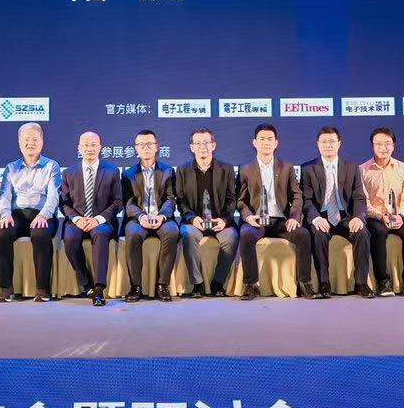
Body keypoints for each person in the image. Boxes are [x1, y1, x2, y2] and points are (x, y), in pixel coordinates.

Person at [236, 124, 312, 301]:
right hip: (257, 220)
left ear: (276, 143)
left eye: (270, 139)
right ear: (254, 142)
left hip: (280, 220)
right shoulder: (245, 169)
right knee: (246, 235)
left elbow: (297, 195)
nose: (266, 143)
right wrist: (248, 216)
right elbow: (240, 200)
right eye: (262, 139)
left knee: (303, 234)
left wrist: (294, 217)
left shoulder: (286, 167)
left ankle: (305, 282)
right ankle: (250, 284)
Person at [0, 122, 62, 302]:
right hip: (17, 215)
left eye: (34, 139)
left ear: (42, 142)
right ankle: (5, 288)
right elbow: (4, 194)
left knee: (40, 234)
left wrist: (43, 215)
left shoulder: (52, 166)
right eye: (26, 139)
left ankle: (42, 289)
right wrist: (5, 214)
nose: (30, 143)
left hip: (42, 214)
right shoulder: (11, 167)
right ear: (19, 142)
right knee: (1, 233)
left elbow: (53, 196)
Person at [302, 126, 373, 298]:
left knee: (362, 232)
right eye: (324, 142)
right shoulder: (308, 168)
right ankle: (324, 283)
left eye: (332, 141)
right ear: (318, 144)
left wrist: (358, 217)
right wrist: (315, 218)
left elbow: (359, 198)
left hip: (345, 217)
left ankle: (361, 283)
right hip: (322, 216)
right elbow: (306, 200)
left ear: (339, 143)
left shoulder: (351, 167)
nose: (328, 145)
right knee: (319, 234)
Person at [173, 128, 239, 297]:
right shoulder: (182, 170)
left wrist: (224, 220)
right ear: (191, 148)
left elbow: (232, 199)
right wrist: (192, 218)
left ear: (213, 145)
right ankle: (198, 284)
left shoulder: (227, 169)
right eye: (198, 143)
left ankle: (218, 282)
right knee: (188, 235)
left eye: (206, 142)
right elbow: (180, 201)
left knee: (231, 238)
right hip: (194, 222)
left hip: (220, 222)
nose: (202, 147)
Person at [59, 131, 122, 306]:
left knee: (100, 234)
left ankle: (99, 288)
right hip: (77, 220)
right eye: (86, 145)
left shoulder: (112, 171)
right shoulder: (69, 173)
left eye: (94, 145)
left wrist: (98, 219)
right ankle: (85, 282)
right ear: (79, 148)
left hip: (101, 221)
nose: (90, 148)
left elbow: (118, 202)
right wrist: (77, 219)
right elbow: (64, 203)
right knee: (70, 238)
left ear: (100, 147)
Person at [361, 127, 404, 296]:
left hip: (399, 216)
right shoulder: (362, 170)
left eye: (387, 143)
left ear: (393, 146)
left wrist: (401, 215)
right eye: (379, 144)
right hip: (375, 217)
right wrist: (380, 216)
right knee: (378, 232)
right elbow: (363, 201)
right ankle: (383, 281)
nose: (383, 148)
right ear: (372, 146)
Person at [121, 129, 179, 302]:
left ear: (157, 147)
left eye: (149, 144)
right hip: (138, 219)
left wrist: (161, 216)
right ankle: (135, 287)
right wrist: (141, 217)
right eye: (141, 144)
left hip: (162, 218)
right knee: (133, 234)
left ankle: (162, 285)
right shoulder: (128, 174)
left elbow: (170, 199)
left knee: (172, 232)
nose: (146, 148)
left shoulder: (168, 171)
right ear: (136, 149)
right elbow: (128, 203)